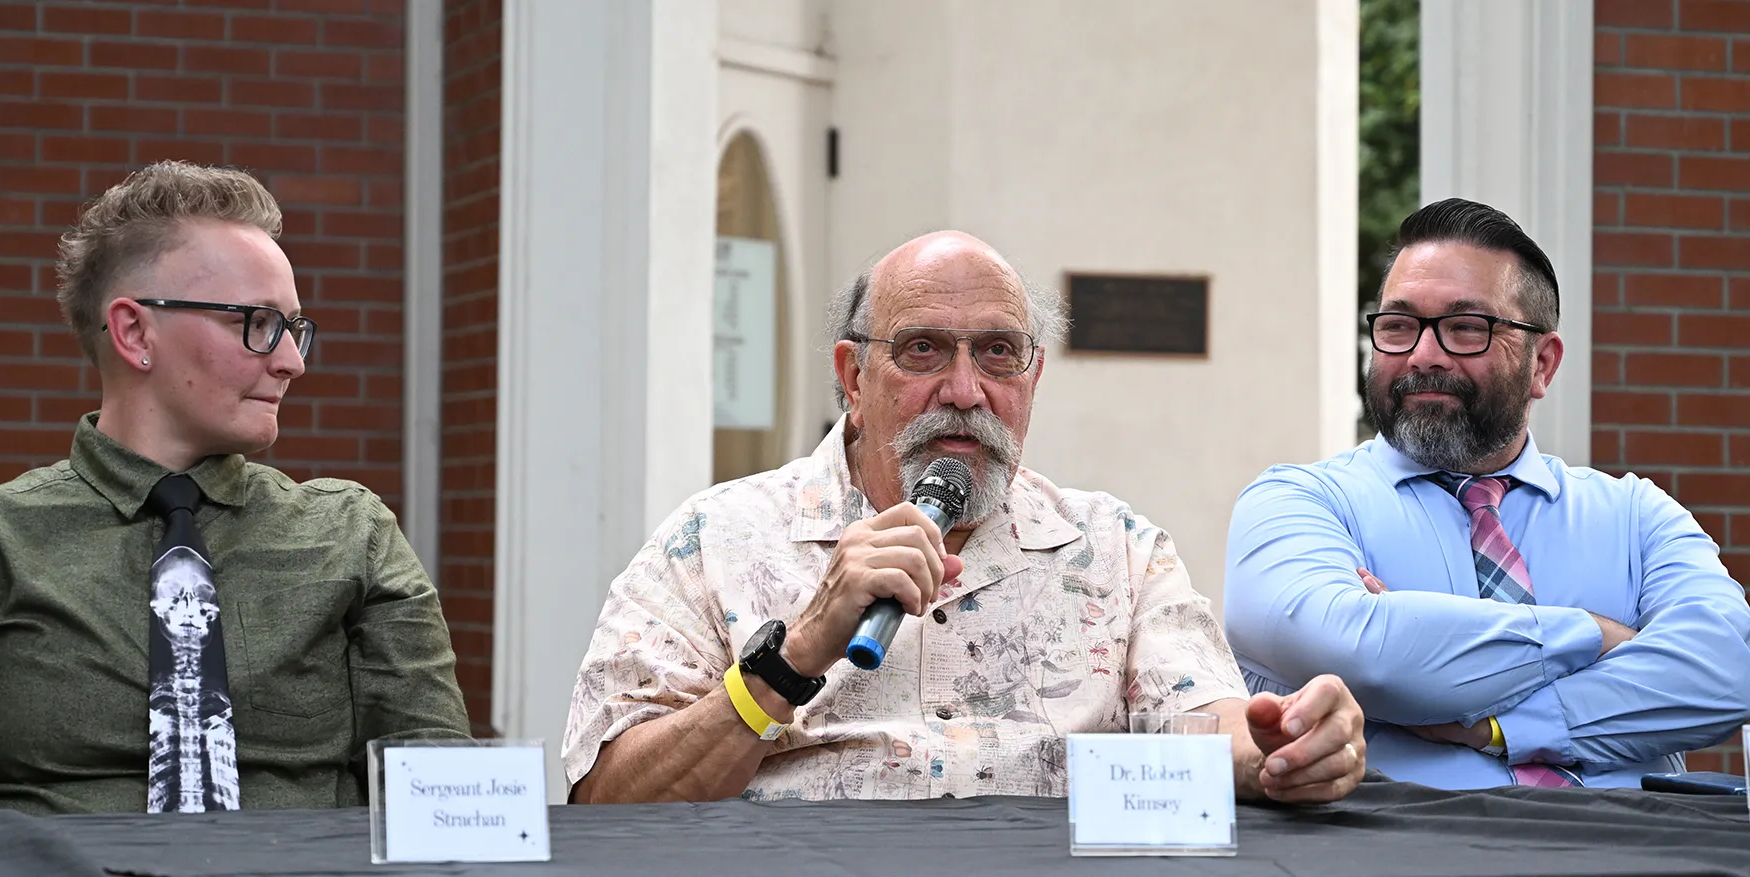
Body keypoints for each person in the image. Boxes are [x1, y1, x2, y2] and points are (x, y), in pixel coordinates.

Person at [562, 231, 1367, 804]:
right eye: (921, 350)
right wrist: (798, 651)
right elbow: (607, 798)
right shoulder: (713, 540)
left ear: (1033, 375)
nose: (964, 388)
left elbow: (1202, 716)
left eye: (996, 352)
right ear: (852, 374)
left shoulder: (1116, 549)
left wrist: (1278, 746)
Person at [0, 161, 471, 814]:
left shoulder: (351, 533)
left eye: (293, 327)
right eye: (257, 322)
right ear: (135, 331)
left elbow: (440, 799)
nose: (291, 361)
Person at [1224, 198, 1750, 790]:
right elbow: (1362, 654)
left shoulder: (1636, 516)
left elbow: (1728, 668)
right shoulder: (1299, 502)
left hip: (1638, 850)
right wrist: (1596, 636)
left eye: (1465, 328)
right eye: (1397, 326)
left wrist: (1495, 724)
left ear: (1542, 364)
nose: (1423, 355)